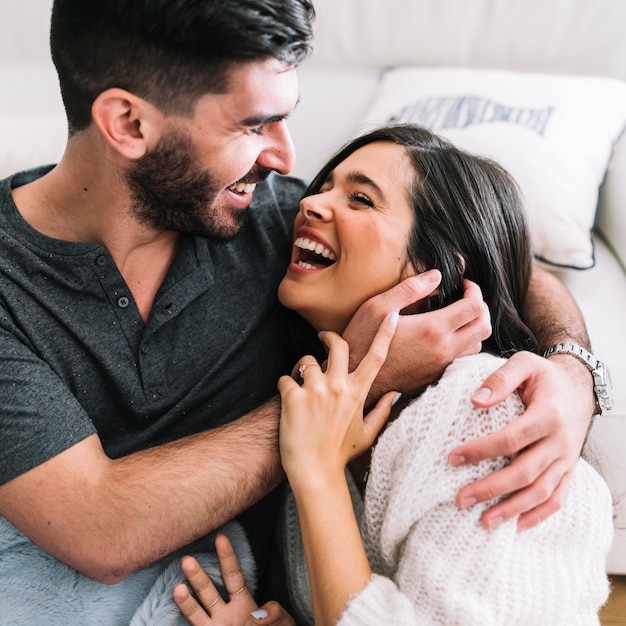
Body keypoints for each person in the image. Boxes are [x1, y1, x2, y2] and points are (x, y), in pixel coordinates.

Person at [0, 0, 605, 621]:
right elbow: (98, 529)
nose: (289, 162)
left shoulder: (269, 218)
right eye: (254, 125)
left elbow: (503, 261)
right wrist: (352, 384)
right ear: (127, 123)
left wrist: (572, 373)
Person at [173, 125, 613, 625]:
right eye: (324, 187)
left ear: (433, 271)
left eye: (360, 199)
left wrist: (317, 472)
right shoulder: (328, 409)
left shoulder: (482, 412)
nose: (311, 204)